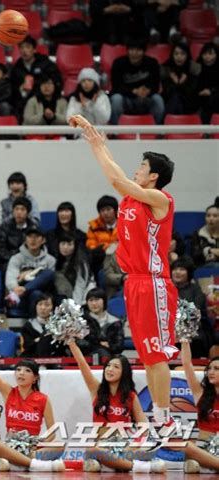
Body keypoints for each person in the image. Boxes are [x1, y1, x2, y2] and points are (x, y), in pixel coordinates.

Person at [71, 114, 177, 428]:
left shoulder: (161, 199)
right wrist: (100, 147)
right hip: (134, 283)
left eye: (142, 166)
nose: (137, 169)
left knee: (157, 356)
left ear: (154, 176)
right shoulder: (132, 198)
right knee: (147, 356)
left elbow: (117, 179)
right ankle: (160, 420)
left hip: (154, 282)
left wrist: (95, 145)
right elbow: (118, 177)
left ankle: (165, 420)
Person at [68, 340, 166, 473]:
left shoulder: (130, 396)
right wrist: (71, 343)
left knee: (150, 448)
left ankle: (118, 464)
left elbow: (144, 427)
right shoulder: (97, 390)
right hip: (102, 446)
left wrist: (131, 447)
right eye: (108, 366)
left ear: (124, 372)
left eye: (116, 367)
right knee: (92, 450)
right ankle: (137, 467)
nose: (110, 369)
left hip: (125, 446)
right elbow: (82, 364)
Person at [0, 349, 65, 472]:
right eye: (18, 370)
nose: (21, 373)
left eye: (27, 371)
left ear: (35, 378)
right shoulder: (8, 392)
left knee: (59, 445)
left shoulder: (43, 399)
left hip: (31, 448)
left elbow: (52, 433)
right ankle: (34, 465)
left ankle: (15, 464)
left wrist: (36, 444)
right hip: (10, 446)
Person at [179, 342, 219, 473]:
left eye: (217, 369)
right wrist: (185, 340)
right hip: (203, 447)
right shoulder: (200, 392)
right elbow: (186, 364)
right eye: (210, 368)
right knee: (187, 449)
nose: (211, 372)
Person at [110, 38, 164, 125]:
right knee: (116, 99)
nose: (134, 53)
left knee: (158, 99)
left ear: (143, 51)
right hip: (127, 98)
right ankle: (115, 131)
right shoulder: (118, 63)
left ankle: (156, 131)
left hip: (146, 98)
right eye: (132, 50)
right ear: (127, 50)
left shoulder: (152, 63)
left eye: (138, 50)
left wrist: (148, 91)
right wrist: (134, 91)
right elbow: (116, 86)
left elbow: (156, 86)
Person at [5, 226, 56, 315]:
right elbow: (10, 278)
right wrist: (16, 288)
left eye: (36, 237)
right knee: (36, 294)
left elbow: (50, 280)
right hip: (22, 297)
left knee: (48, 274)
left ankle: (25, 289)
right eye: (30, 237)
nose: (33, 240)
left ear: (43, 240)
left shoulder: (50, 260)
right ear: (25, 240)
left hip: (44, 296)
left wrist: (28, 274)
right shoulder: (16, 258)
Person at [9, 35, 62, 118]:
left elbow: (56, 81)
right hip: (23, 102)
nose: (24, 51)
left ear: (34, 49)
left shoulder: (46, 64)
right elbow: (12, 89)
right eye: (22, 48)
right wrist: (21, 90)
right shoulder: (16, 68)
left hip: (44, 100)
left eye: (27, 47)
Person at [171, 257, 214, 358]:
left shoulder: (196, 291)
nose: (177, 272)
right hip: (170, 330)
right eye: (175, 269)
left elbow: (194, 313)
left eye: (182, 269)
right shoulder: (166, 289)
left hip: (192, 332)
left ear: (189, 273)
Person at [0, 197, 37, 272]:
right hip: (8, 262)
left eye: (22, 209)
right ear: (13, 211)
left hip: (29, 262)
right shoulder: (4, 228)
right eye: (16, 209)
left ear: (28, 213)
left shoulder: (34, 229)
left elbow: (37, 249)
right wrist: (15, 260)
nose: (19, 212)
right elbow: (0, 250)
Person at [78, 287, 124, 357]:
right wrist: (99, 344)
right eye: (91, 300)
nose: (94, 303)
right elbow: (80, 343)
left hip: (110, 357)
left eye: (97, 300)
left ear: (104, 301)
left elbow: (118, 346)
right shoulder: (82, 321)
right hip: (86, 357)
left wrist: (108, 346)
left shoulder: (115, 322)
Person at [21, 294, 67, 358]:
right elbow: (27, 345)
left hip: (55, 358)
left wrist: (39, 340)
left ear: (53, 307)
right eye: (40, 304)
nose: (43, 308)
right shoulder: (28, 326)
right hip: (34, 358)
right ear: (35, 306)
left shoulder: (58, 325)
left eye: (47, 305)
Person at [161, 42, 200, 115]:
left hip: (189, 104)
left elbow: (192, 94)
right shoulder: (166, 69)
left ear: (187, 55)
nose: (179, 57)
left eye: (182, 54)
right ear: (172, 55)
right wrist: (175, 83)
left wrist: (180, 84)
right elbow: (166, 94)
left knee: (179, 98)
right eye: (176, 54)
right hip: (170, 103)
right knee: (175, 98)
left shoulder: (192, 70)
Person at [55, 232, 94, 305]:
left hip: (83, 296)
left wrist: (75, 306)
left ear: (75, 246)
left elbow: (80, 285)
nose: (65, 247)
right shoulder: (57, 260)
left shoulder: (81, 262)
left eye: (69, 244)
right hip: (64, 295)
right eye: (63, 244)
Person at [196, 43, 219, 124]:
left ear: (216, 55)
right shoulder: (197, 68)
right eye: (205, 54)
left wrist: (211, 91)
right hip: (201, 99)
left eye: (210, 54)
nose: (207, 56)